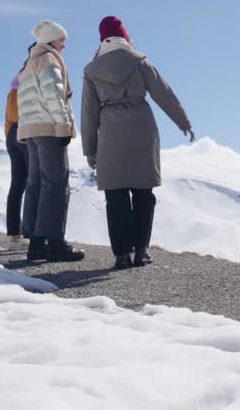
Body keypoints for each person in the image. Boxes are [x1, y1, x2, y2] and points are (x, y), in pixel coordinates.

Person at [81, 16, 193, 269]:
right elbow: (163, 93)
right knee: (143, 191)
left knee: (115, 194)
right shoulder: (139, 60)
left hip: (110, 132)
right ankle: (141, 251)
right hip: (142, 127)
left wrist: (90, 148)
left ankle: (122, 254)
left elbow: (89, 112)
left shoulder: (91, 70)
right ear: (125, 36)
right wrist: (183, 121)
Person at [16, 20, 85, 262]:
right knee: (56, 184)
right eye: (61, 40)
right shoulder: (48, 59)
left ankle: (36, 245)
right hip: (49, 129)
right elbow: (53, 95)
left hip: (32, 131)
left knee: (36, 183)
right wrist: (63, 126)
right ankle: (55, 243)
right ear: (51, 40)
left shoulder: (30, 62)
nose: (63, 45)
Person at [3, 45, 33, 241]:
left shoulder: (16, 80)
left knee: (17, 185)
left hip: (11, 133)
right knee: (34, 183)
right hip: (26, 131)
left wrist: (9, 134)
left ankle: (15, 235)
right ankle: (33, 234)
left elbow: (8, 114)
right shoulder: (32, 76)